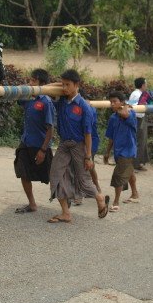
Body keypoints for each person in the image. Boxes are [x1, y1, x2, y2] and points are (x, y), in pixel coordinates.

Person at [47, 69, 110, 223]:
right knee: (55, 175)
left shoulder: (84, 107)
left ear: (77, 85)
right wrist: (59, 84)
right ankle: (65, 213)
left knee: (83, 180)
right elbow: (47, 90)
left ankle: (99, 198)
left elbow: (88, 134)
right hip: (64, 144)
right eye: (62, 84)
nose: (64, 88)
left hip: (79, 146)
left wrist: (88, 157)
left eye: (67, 85)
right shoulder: (62, 101)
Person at [13, 68, 55, 213]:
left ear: (42, 84)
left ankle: (65, 201)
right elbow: (17, 98)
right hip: (26, 142)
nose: (30, 83)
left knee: (52, 176)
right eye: (30, 80)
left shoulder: (46, 102)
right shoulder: (28, 98)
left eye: (33, 81)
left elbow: (50, 129)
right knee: (22, 171)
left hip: (41, 145)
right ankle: (32, 204)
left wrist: (43, 150)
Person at [103, 91, 139, 212]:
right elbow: (111, 137)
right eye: (111, 102)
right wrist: (107, 152)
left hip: (128, 150)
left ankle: (116, 201)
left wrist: (126, 106)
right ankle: (135, 194)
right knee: (129, 172)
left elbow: (124, 113)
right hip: (118, 151)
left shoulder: (131, 113)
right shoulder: (113, 118)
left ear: (122, 102)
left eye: (115, 101)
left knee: (118, 175)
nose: (112, 104)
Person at [128, 77, 150, 171]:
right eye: (146, 84)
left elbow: (130, 105)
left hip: (137, 118)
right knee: (140, 141)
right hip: (138, 119)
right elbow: (136, 107)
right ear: (143, 85)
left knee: (140, 140)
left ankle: (138, 163)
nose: (146, 86)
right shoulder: (138, 94)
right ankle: (135, 164)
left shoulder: (135, 93)